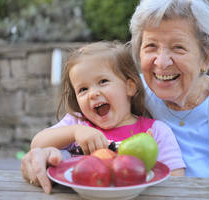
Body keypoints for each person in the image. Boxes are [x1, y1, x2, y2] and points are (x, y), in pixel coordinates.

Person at [21, 0, 209, 194]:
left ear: (206, 56)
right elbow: (63, 137)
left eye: (178, 47)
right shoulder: (120, 96)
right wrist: (42, 154)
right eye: (151, 46)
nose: (161, 62)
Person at [23, 41, 185, 192]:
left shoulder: (155, 131)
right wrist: (75, 132)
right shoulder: (78, 123)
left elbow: (176, 181)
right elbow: (37, 144)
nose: (93, 94)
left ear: (130, 86)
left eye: (103, 81)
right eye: (83, 89)